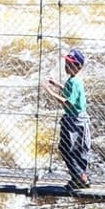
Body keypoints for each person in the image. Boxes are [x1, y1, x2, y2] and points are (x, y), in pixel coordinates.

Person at [44, 48, 91, 190]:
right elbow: (70, 92)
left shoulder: (73, 82)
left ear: (79, 67)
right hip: (81, 119)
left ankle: (80, 177)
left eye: (70, 64)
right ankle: (79, 177)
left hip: (73, 121)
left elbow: (68, 102)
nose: (66, 67)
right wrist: (57, 84)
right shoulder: (75, 81)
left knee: (65, 149)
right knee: (77, 149)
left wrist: (51, 92)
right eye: (66, 63)